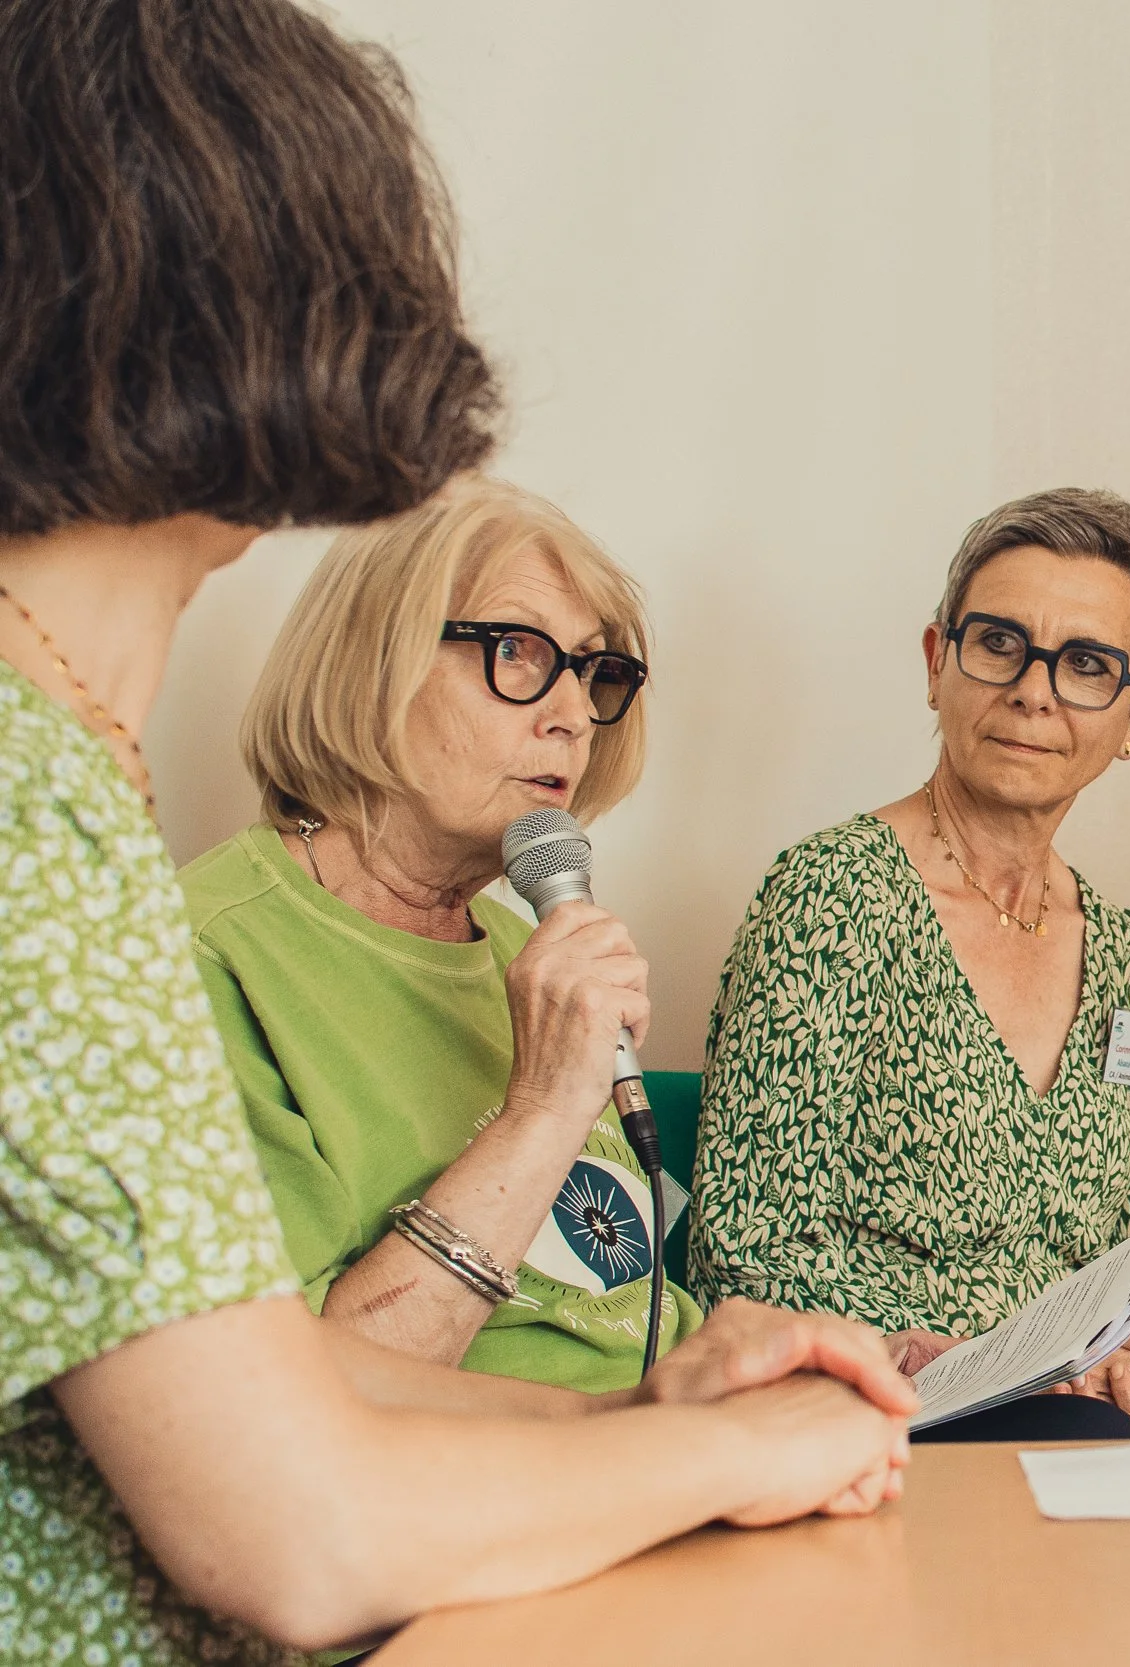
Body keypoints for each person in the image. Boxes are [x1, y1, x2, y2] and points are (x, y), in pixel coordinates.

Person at [0, 5, 916, 1661]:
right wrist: (736, 1445)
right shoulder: (30, 805)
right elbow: (294, 1534)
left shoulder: (66, 767)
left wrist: (655, 1412)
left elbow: (242, 1360)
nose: (567, 706)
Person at [691, 489, 1130, 1441]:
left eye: (1087, 664)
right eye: (1000, 644)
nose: (1034, 689)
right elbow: (743, 1249)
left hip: (1092, 1436)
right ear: (938, 664)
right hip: (883, 1424)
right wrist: (917, 1350)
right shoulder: (831, 898)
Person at [182, 475, 700, 1392]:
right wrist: (540, 1109)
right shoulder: (207, 959)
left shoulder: (526, 948)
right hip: (468, 1495)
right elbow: (286, 1415)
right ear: (368, 663)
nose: (574, 714)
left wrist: (791, 1363)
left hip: (662, 1460)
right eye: (517, 650)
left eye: (591, 670)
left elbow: (613, 1314)